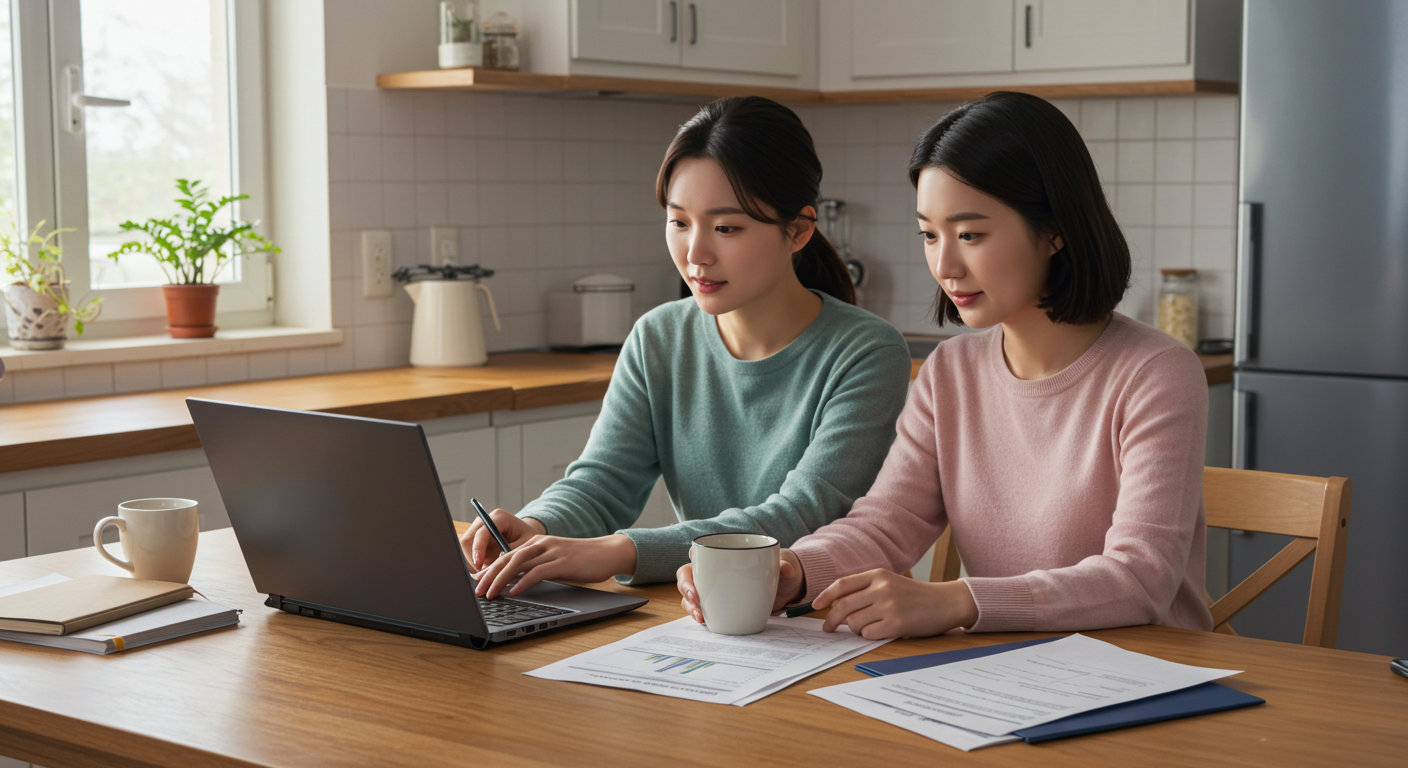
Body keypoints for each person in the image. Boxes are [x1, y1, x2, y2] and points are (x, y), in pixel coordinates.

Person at [678, 91, 1214, 639]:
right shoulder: (949, 372)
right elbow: (888, 523)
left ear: (1055, 230)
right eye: (930, 235)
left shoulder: (1157, 373)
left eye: (970, 235)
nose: (945, 264)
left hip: (1149, 678)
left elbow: (1140, 578)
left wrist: (958, 602)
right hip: (1009, 676)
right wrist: (792, 570)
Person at [465, 96, 912, 599]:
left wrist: (619, 551)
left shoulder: (867, 352)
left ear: (798, 230)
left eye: (726, 228)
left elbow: (802, 513)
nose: (696, 254)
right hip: (709, 616)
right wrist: (537, 527)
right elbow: (602, 481)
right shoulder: (658, 337)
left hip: (834, 619)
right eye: (679, 222)